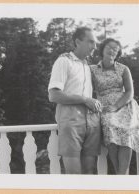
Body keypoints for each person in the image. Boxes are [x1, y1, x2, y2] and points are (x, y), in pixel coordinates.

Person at [48, 27, 102, 174]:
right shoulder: (64, 61)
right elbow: (53, 95)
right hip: (70, 120)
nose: (94, 47)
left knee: (90, 171)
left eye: (95, 43)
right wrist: (84, 99)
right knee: (74, 175)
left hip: (91, 121)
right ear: (78, 42)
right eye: (90, 42)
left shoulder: (87, 66)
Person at [90, 38, 139, 175]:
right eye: (109, 46)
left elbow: (130, 92)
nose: (112, 50)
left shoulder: (123, 69)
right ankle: (120, 173)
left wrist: (116, 106)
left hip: (125, 105)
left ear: (118, 53)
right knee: (109, 129)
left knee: (126, 132)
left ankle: (122, 174)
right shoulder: (92, 69)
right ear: (102, 49)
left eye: (115, 48)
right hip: (104, 107)